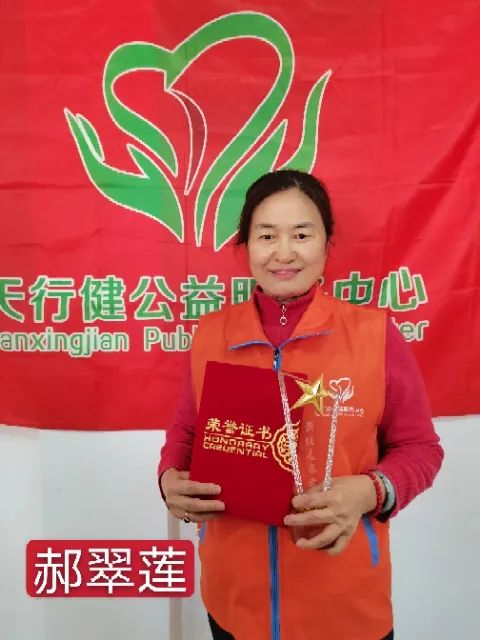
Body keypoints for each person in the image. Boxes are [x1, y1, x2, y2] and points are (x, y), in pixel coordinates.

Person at [158, 170, 444, 640]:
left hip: (344, 604)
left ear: (327, 243)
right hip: (234, 602)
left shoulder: (375, 335)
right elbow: (185, 435)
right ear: (246, 245)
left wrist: (371, 490)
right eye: (267, 235)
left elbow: (421, 448)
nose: (284, 252)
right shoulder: (210, 334)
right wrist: (170, 478)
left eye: (302, 234)